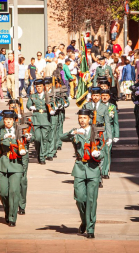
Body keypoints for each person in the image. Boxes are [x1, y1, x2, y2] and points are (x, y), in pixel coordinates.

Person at [60, 109, 106, 239]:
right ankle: (85, 221)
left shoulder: (97, 131)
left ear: (89, 119)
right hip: (79, 168)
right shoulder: (76, 132)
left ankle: (90, 228)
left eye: (84, 118)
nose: (82, 120)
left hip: (93, 168)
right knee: (79, 198)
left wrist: (99, 154)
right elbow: (61, 137)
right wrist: (73, 132)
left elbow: (104, 149)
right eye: (80, 118)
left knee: (91, 200)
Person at [0, 110, 27, 227]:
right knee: (3, 192)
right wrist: (4, 135)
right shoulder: (1, 131)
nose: (8, 122)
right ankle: (7, 212)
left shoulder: (19, 130)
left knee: (14, 192)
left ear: (14, 120)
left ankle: (12, 218)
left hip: (16, 164)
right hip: (2, 163)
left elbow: (29, 139)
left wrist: (28, 137)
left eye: (10, 120)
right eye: (6, 120)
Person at [26, 79, 55, 164]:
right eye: (37, 87)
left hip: (45, 119)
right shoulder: (33, 96)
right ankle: (39, 153)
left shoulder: (48, 96)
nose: (38, 88)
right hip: (36, 119)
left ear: (43, 86)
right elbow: (28, 104)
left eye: (40, 86)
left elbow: (53, 105)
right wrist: (31, 107)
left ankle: (42, 156)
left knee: (44, 138)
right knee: (37, 138)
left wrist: (52, 109)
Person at [100, 89, 119, 179]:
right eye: (102, 95)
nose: (104, 97)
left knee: (107, 152)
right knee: (100, 151)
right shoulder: (98, 106)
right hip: (99, 130)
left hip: (109, 131)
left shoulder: (112, 107)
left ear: (109, 97)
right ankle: (99, 170)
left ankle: (106, 171)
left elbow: (115, 122)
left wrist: (116, 135)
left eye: (106, 96)